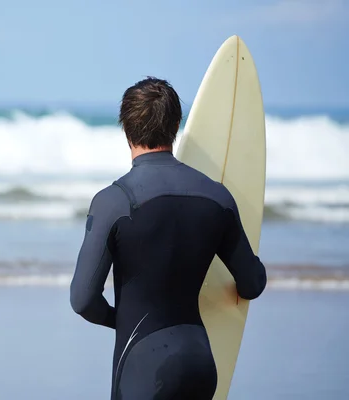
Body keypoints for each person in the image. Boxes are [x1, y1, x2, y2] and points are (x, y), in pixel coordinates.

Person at [69, 77, 267, 400]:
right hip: (201, 363)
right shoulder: (218, 198)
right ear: (176, 126)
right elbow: (252, 283)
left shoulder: (113, 201)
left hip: (143, 370)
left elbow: (82, 299)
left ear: (126, 128)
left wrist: (118, 320)